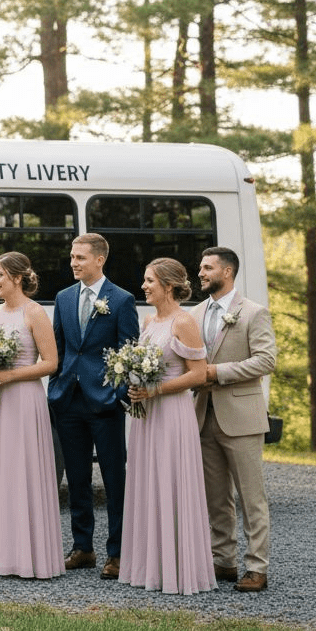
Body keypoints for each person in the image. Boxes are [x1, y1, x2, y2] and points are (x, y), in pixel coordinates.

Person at [119, 257, 215, 594]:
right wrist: (133, 384)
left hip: (172, 414)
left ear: (169, 286)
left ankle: (179, 568)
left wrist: (155, 388)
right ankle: (151, 567)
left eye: (149, 281)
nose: (143, 286)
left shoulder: (183, 321)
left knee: (171, 482)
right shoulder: (148, 322)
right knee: (148, 483)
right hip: (146, 416)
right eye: (144, 280)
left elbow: (199, 374)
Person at [48, 232, 139, 580]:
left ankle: (116, 553)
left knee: (115, 481)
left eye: (80, 257)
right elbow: (59, 347)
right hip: (68, 400)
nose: (73, 262)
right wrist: (56, 386)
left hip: (105, 403)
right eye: (72, 256)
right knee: (77, 479)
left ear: (99, 260)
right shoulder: (64, 297)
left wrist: (116, 394)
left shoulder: (122, 300)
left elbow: (127, 352)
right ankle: (82, 547)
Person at [0, 252, 63, 579]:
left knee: (23, 471)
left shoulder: (35, 312)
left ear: (17, 277)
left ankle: (28, 555)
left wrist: (10, 375)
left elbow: (50, 363)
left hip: (24, 399)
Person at [193, 246, 278, 593]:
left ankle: (257, 567)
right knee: (216, 497)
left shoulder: (253, 313)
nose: (200, 272)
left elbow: (265, 360)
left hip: (241, 417)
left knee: (250, 497)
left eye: (207, 267)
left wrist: (219, 372)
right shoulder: (195, 313)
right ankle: (224, 561)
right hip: (203, 415)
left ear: (227, 272)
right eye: (201, 267)